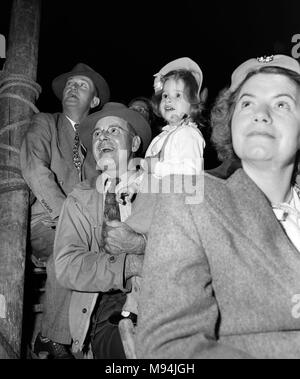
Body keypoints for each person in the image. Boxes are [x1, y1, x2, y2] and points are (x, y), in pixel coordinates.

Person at [135, 54, 300, 359]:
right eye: (247, 103)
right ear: (230, 120)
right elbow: (168, 349)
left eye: (281, 104)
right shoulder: (191, 203)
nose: (261, 114)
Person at [20, 62, 110, 358]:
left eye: (82, 85)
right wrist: (65, 217)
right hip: (44, 221)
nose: (73, 88)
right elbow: (34, 168)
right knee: (71, 245)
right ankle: (50, 337)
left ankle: (95, 339)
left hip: (80, 228)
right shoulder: (45, 121)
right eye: (71, 84)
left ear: (94, 101)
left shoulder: (97, 143)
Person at [53, 103, 152, 359]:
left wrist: (142, 245)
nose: (103, 137)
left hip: (165, 297)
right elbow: (67, 265)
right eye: (97, 134)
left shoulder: (163, 187)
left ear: (134, 144)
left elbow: (194, 248)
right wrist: (128, 265)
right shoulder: (80, 199)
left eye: (114, 131)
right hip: (108, 307)